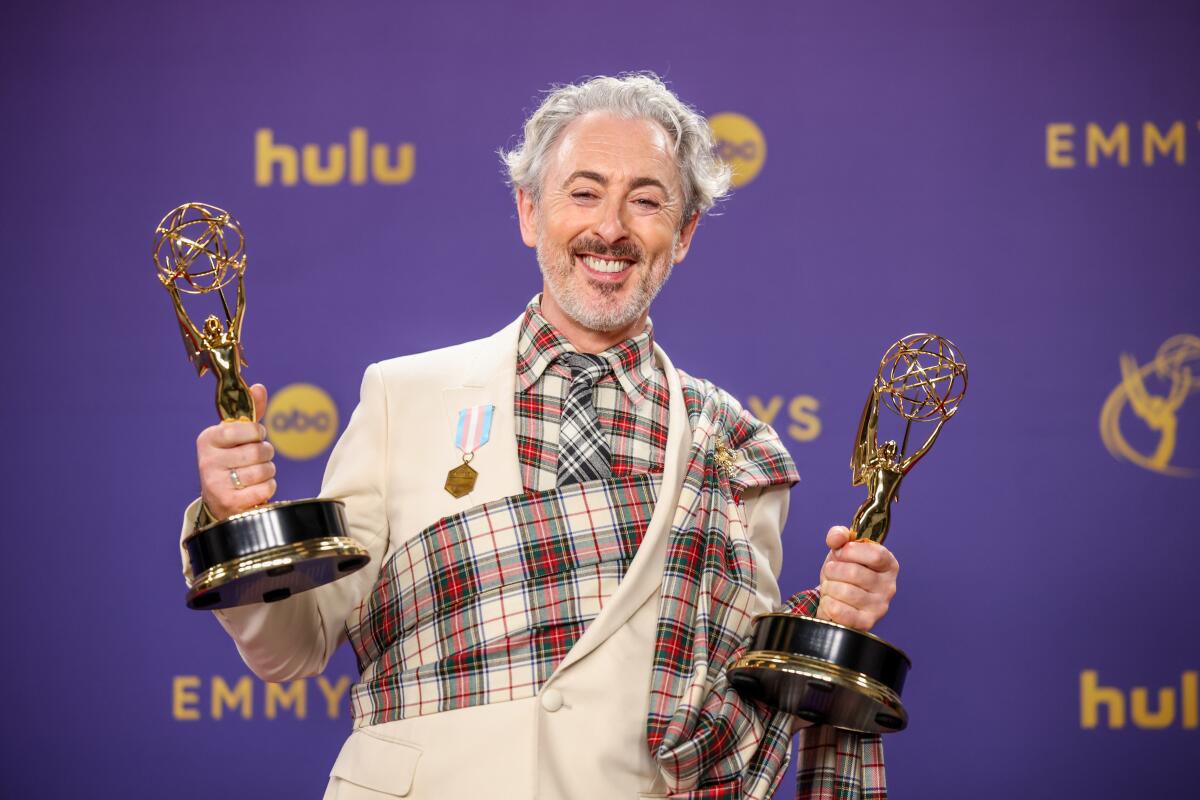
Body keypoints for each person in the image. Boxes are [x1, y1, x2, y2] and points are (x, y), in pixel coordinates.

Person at [180, 73, 900, 799]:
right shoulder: (404, 396)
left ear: (682, 236)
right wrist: (236, 525)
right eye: (583, 193)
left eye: (646, 201)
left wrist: (837, 618)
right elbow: (294, 646)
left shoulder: (737, 449)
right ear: (529, 211)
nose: (611, 227)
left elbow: (725, 696)